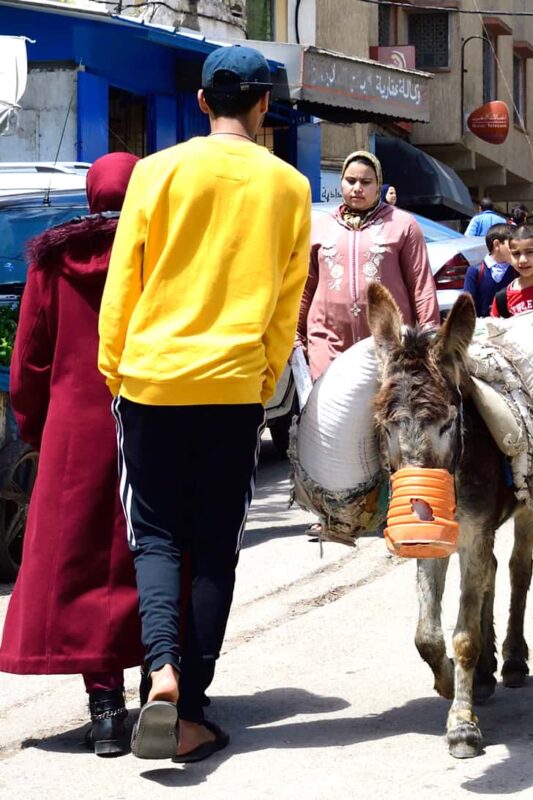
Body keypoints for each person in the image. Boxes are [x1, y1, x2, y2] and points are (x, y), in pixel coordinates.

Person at [98, 44, 311, 762]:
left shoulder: (156, 172)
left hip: (152, 379)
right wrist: (259, 383)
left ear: (200, 104)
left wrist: (114, 370)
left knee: (154, 535)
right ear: (261, 107)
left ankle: (158, 671)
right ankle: (189, 709)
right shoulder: (286, 189)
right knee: (215, 544)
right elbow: (286, 306)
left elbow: (123, 279)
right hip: (230, 388)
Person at [0, 153, 144, 756]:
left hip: (72, 430)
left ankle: (106, 708)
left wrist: (35, 427)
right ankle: (166, 686)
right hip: (147, 416)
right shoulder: (156, 253)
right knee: (154, 552)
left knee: (82, 561)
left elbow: (30, 356)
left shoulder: (52, 262)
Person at [296, 150, 440, 381]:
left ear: (378, 185)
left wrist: (430, 337)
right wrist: (295, 334)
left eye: (366, 182)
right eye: (350, 180)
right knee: (328, 413)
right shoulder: (319, 227)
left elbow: (421, 286)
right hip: (327, 341)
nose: (357, 188)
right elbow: (304, 286)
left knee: (384, 411)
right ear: (341, 182)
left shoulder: (403, 225)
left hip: (389, 344)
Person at [463, 223, 515, 317]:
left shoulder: (516, 270)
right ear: (497, 245)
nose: (515, 249)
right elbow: (468, 306)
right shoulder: (475, 271)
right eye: (511, 245)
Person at [490, 224, 533, 317]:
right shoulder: (502, 299)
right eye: (516, 254)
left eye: (530, 252)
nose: (523, 260)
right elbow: (495, 329)